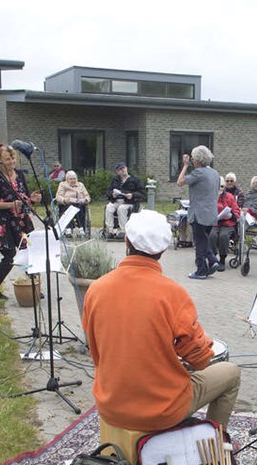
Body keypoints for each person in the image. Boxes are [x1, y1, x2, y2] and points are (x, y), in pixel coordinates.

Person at [83, 209, 242, 432]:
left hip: (109, 405)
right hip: (161, 411)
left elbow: (95, 348)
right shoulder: (173, 294)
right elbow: (200, 360)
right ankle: (213, 445)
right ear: (163, 249)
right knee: (231, 372)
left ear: (127, 241)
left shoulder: (96, 289)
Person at [0, 143, 41, 301]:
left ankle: (33, 286)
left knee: (28, 250)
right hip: (1, 221)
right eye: (8, 159)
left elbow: (25, 198)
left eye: (13, 158)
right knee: (9, 255)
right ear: (0, 161)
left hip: (20, 219)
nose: (12, 161)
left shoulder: (20, 175)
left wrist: (33, 200)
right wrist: (10, 205)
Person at [177, 145, 221, 280]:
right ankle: (212, 262)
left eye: (193, 158)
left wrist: (185, 166)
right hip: (212, 212)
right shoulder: (215, 173)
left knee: (200, 242)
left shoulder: (198, 173)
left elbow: (180, 182)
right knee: (204, 240)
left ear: (196, 159)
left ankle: (201, 270)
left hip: (199, 213)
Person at [210, 176, 242, 269]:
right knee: (212, 235)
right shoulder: (211, 196)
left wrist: (231, 216)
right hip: (214, 222)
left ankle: (222, 259)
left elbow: (236, 211)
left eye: (221, 186)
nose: (220, 189)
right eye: (218, 186)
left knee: (223, 236)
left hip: (227, 223)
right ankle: (213, 258)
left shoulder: (230, 196)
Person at [105, 162, 145, 233]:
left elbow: (142, 193)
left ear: (126, 168)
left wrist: (132, 195)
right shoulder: (115, 180)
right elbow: (108, 191)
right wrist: (112, 194)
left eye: (123, 168)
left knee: (121, 208)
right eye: (120, 169)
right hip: (116, 201)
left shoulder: (135, 180)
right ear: (117, 172)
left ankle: (124, 230)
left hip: (129, 202)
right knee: (109, 207)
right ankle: (109, 229)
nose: (123, 170)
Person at [56, 170, 91, 236]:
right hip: (66, 204)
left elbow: (87, 197)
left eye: (74, 179)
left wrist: (85, 200)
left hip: (79, 204)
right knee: (71, 207)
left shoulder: (81, 185)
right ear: (67, 179)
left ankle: (79, 228)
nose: (73, 180)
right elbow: (58, 197)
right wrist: (65, 200)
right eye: (71, 179)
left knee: (78, 207)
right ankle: (71, 228)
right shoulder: (63, 185)